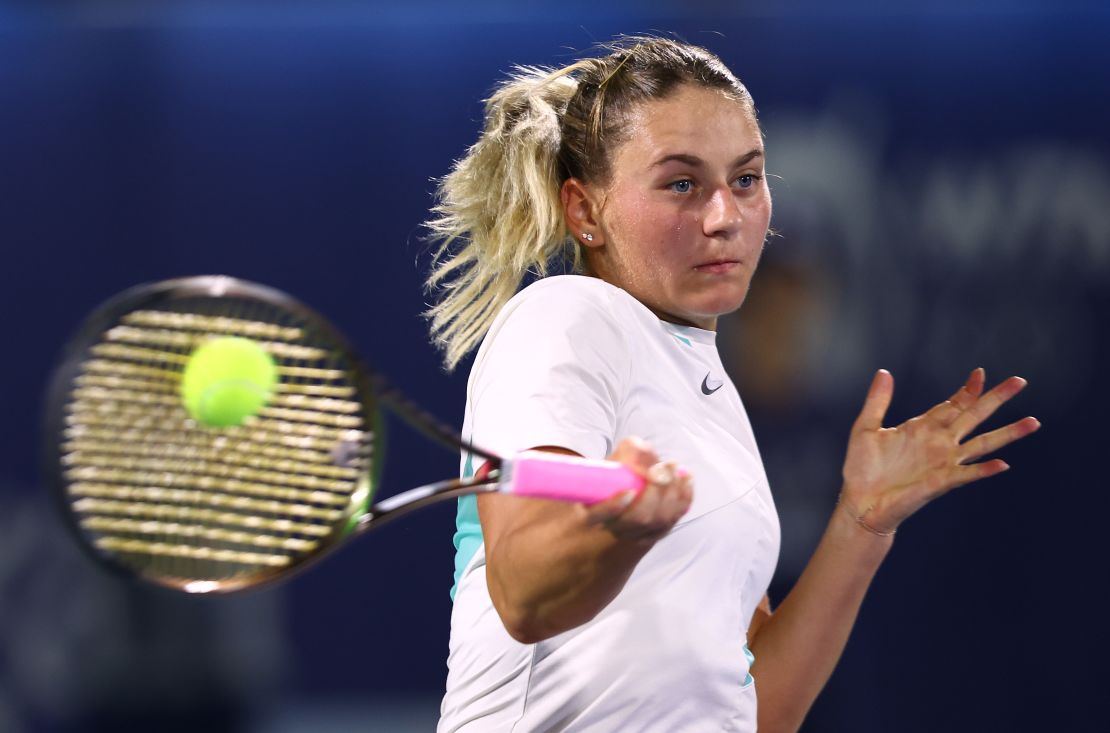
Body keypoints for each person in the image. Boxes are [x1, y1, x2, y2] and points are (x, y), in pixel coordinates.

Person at [423, 37, 1039, 733]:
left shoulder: (710, 396)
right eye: (681, 183)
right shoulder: (565, 317)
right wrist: (622, 529)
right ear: (585, 210)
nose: (725, 217)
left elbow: (754, 711)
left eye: (746, 179)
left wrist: (861, 522)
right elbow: (524, 590)